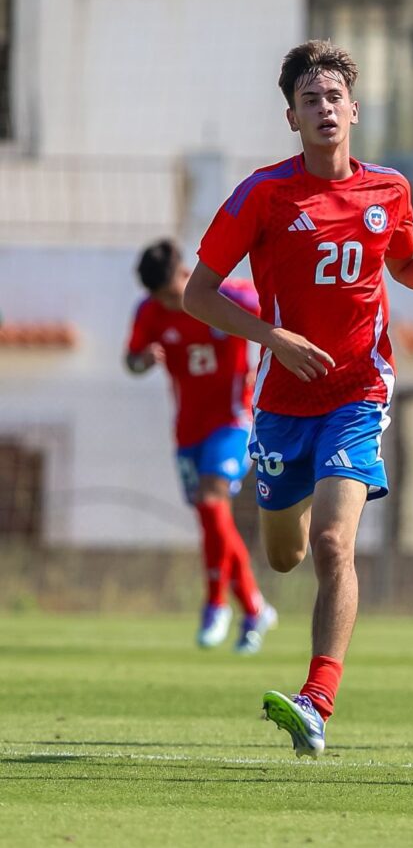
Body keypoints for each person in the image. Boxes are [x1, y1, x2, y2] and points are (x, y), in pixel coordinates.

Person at [182, 40, 413, 758]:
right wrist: (272, 336)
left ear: (355, 110)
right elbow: (198, 294)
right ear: (292, 118)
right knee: (285, 556)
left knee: (335, 544)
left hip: (358, 392)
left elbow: (404, 260)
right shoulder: (262, 194)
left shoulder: (389, 189)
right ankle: (295, 505)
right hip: (282, 401)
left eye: (335, 97)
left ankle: (316, 702)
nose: (324, 109)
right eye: (310, 100)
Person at [125, 239, 277, 654]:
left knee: (212, 501)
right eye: (160, 298)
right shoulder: (148, 312)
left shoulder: (230, 296)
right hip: (187, 431)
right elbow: (131, 359)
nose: (168, 303)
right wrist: (143, 361)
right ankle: (255, 609)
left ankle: (215, 605)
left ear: (184, 274)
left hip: (234, 421)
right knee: (214, 519)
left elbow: (278, 315)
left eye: (171, 293)